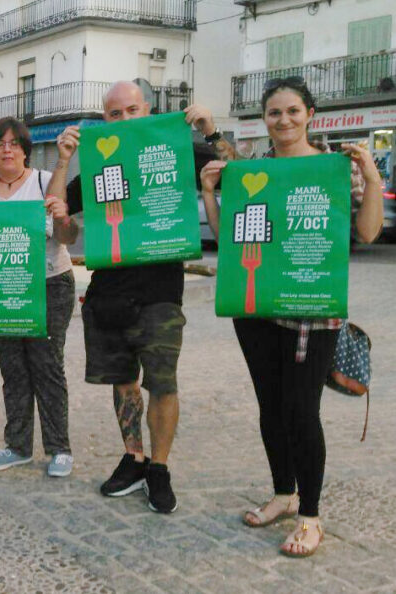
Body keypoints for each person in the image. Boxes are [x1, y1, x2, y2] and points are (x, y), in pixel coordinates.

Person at [199, 77, 382, 556]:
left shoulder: (333, 169)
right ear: (265, 119)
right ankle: (284, 492)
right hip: (257, 310)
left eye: (293, 111)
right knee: (271, 406)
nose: (283, 120)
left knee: (302, 411)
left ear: (310, 114)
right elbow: (230, 238)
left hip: (310, 311)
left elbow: (366, 233)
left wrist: (374, 178)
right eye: (274, 113)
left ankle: (311, 516)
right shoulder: (252, 172)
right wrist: (210, 193)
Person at [49, 81, 232, 513]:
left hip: (160, 291)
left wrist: (211, 130)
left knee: (163, 383)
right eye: (115, 114)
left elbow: (241, 179)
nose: (125, 120)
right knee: (123, 381)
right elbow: (57, 217)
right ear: (105, 119)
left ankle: (160, 469)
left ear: (147, 111)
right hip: (108, 290)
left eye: (133, 110)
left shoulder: (175, 149)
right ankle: (133, 458)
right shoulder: (98, 161)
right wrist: (61, 159)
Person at [0, 117, 79, 478]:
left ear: (26, 149)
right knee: (12, 371)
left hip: (49, 284)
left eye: (14, 143)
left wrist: (62, 217)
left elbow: (69, 236)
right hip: (0, 289)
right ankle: (17, 446)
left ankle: (59, 449)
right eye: (0, 144)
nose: (7, 149)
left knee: (47, 366)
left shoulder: (45, 181)